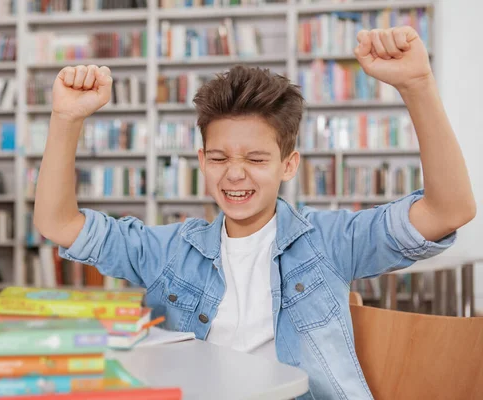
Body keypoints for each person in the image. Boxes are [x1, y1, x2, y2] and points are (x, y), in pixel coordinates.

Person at [33, 26, 476, 399]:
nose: (235, 175)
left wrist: (417, 86)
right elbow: (59, 224)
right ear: (202, 160)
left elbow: (449, 209)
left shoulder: (328, 242)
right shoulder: (168, 250)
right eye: (220, 158)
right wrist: (66, 119)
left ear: (288, 164)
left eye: (256, 159)